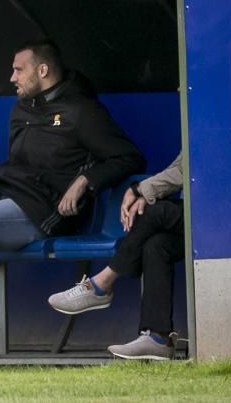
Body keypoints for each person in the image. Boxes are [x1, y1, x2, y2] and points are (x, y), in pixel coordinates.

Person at [0, 39, 145, 360]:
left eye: (18, 70)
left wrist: (85, 180)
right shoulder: (22, 109)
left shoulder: (82, 111)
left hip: (41, 210)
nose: (12, 77)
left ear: (42, 70)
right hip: (3, 191)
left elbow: (129, 157)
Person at [47, 154, 184, 360]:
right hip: (197, 215)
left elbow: (189, 171)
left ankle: (101, 285)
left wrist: (140, 190)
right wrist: (144, 191)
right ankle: (158, 338)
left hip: (222, 213)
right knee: (157, 245)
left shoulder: (217, 124)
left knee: (152, 212)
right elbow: (181, 166)